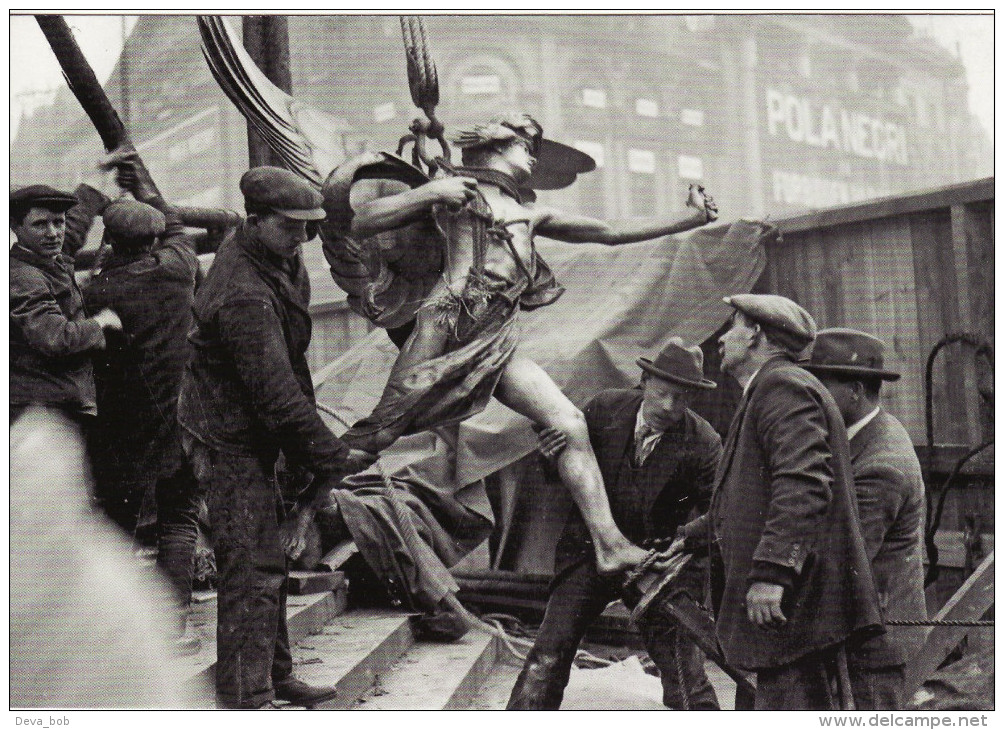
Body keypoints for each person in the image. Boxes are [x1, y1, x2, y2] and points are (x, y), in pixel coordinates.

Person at [332, 113, 718, 576]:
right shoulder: (453, 196)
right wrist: (433, 190)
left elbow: (610, 232)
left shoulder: (530, 214)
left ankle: (610, 544)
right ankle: (298, 506)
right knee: (383, 431)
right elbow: (360, 222)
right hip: (445, 329)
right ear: (495, 145)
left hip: (496, 337)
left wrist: (689, 217)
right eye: (525, 145)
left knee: (569, 422)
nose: (533, 157)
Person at [176, 166, 374, 709]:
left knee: (266, 559)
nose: (304, 239)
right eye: (291, 227)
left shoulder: (280, 258)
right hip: (226, 435)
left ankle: (275, 673)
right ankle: (246, 695)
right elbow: (275, 392)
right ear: (255, 220)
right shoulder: (242, 292)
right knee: (252, 561)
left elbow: (292, 369)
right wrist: (330, 454)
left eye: (311, 228)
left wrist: (310, 452)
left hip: (255, 425)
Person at [675, 294, 882, 710]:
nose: (721, 339)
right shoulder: (767, 390)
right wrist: (689, 538)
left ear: (755, 335)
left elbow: (803, 482)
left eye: (732, 325)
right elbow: (751, 495)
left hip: (794, 609)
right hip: (791, 614)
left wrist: (773, 572)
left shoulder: (781, 386)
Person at [507, 338, 723, 710]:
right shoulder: (604, 408)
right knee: (549, 653)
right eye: (663, 393)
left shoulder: (704, 441)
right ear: (644, 381)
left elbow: (720, 514)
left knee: (684, 670)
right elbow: (565, 471)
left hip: (653, 561)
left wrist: (681, 552)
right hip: (588, 551)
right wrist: (549, 456)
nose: (670, 407)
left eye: (682, 399)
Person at [82, 149, 203, 654]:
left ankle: (108, 625)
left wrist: (93, 195)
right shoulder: (179, 269)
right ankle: (173, 625)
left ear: (111, 244)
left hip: (123, 425)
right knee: (179, 517)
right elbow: (175, 225)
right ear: (152, 241)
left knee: (118, 522)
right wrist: (144, 184)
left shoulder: (99, 292)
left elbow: (69, 257)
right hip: (183, 419)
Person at [803, 328, 927, 709]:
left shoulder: (881, 464)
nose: (812, 396)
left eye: (821, 385)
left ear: (855, 391)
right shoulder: (852, 437)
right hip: (852, 632)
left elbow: (841, 559)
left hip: (874, 649)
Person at [10, 185, 122, 424]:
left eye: (58, 222)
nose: (53, 233)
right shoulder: (23, 277)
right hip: (42, 412)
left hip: (54, 403)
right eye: (40, 224)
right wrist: (101, 323)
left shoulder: (46, 260)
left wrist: (94, 188)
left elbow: (70, 235)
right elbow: (56, 338)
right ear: (15, 227)